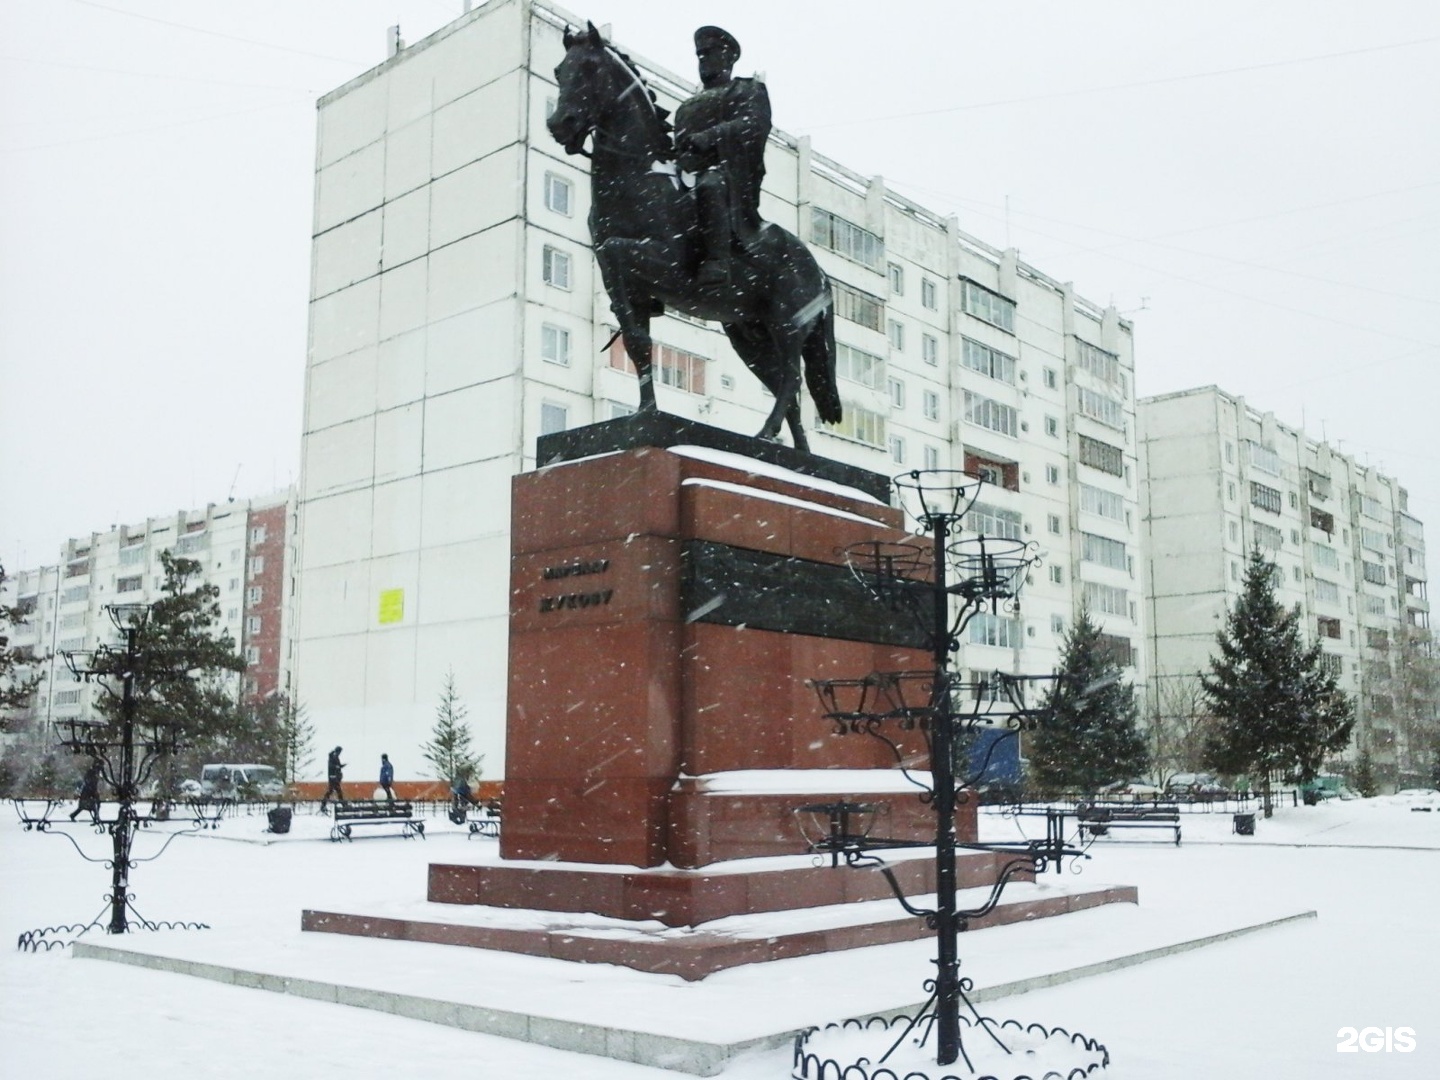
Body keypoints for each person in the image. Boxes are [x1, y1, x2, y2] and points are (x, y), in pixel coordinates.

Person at [673, 26, 771, 285]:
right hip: (685, 173)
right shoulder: (686, 106)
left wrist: (710, 136)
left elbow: (753, 124)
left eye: (710, 52)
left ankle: (718, 260)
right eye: (700, 54)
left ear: (729, 57)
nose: (703, 58)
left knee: (710, 185)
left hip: (729, 174)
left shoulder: (747, 90)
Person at [319, 746, 346, 812]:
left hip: (335, 777)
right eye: (340, 751)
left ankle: (324, 804)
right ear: (338, 751)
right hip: (333, 777)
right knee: (333, 791)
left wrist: (341, 766)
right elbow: (331, 766)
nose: (340, 753)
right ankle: (323, 804)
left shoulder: (336, 757)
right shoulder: (332, 757)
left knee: (335, 791)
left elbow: (337, 766)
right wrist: (337, 767)